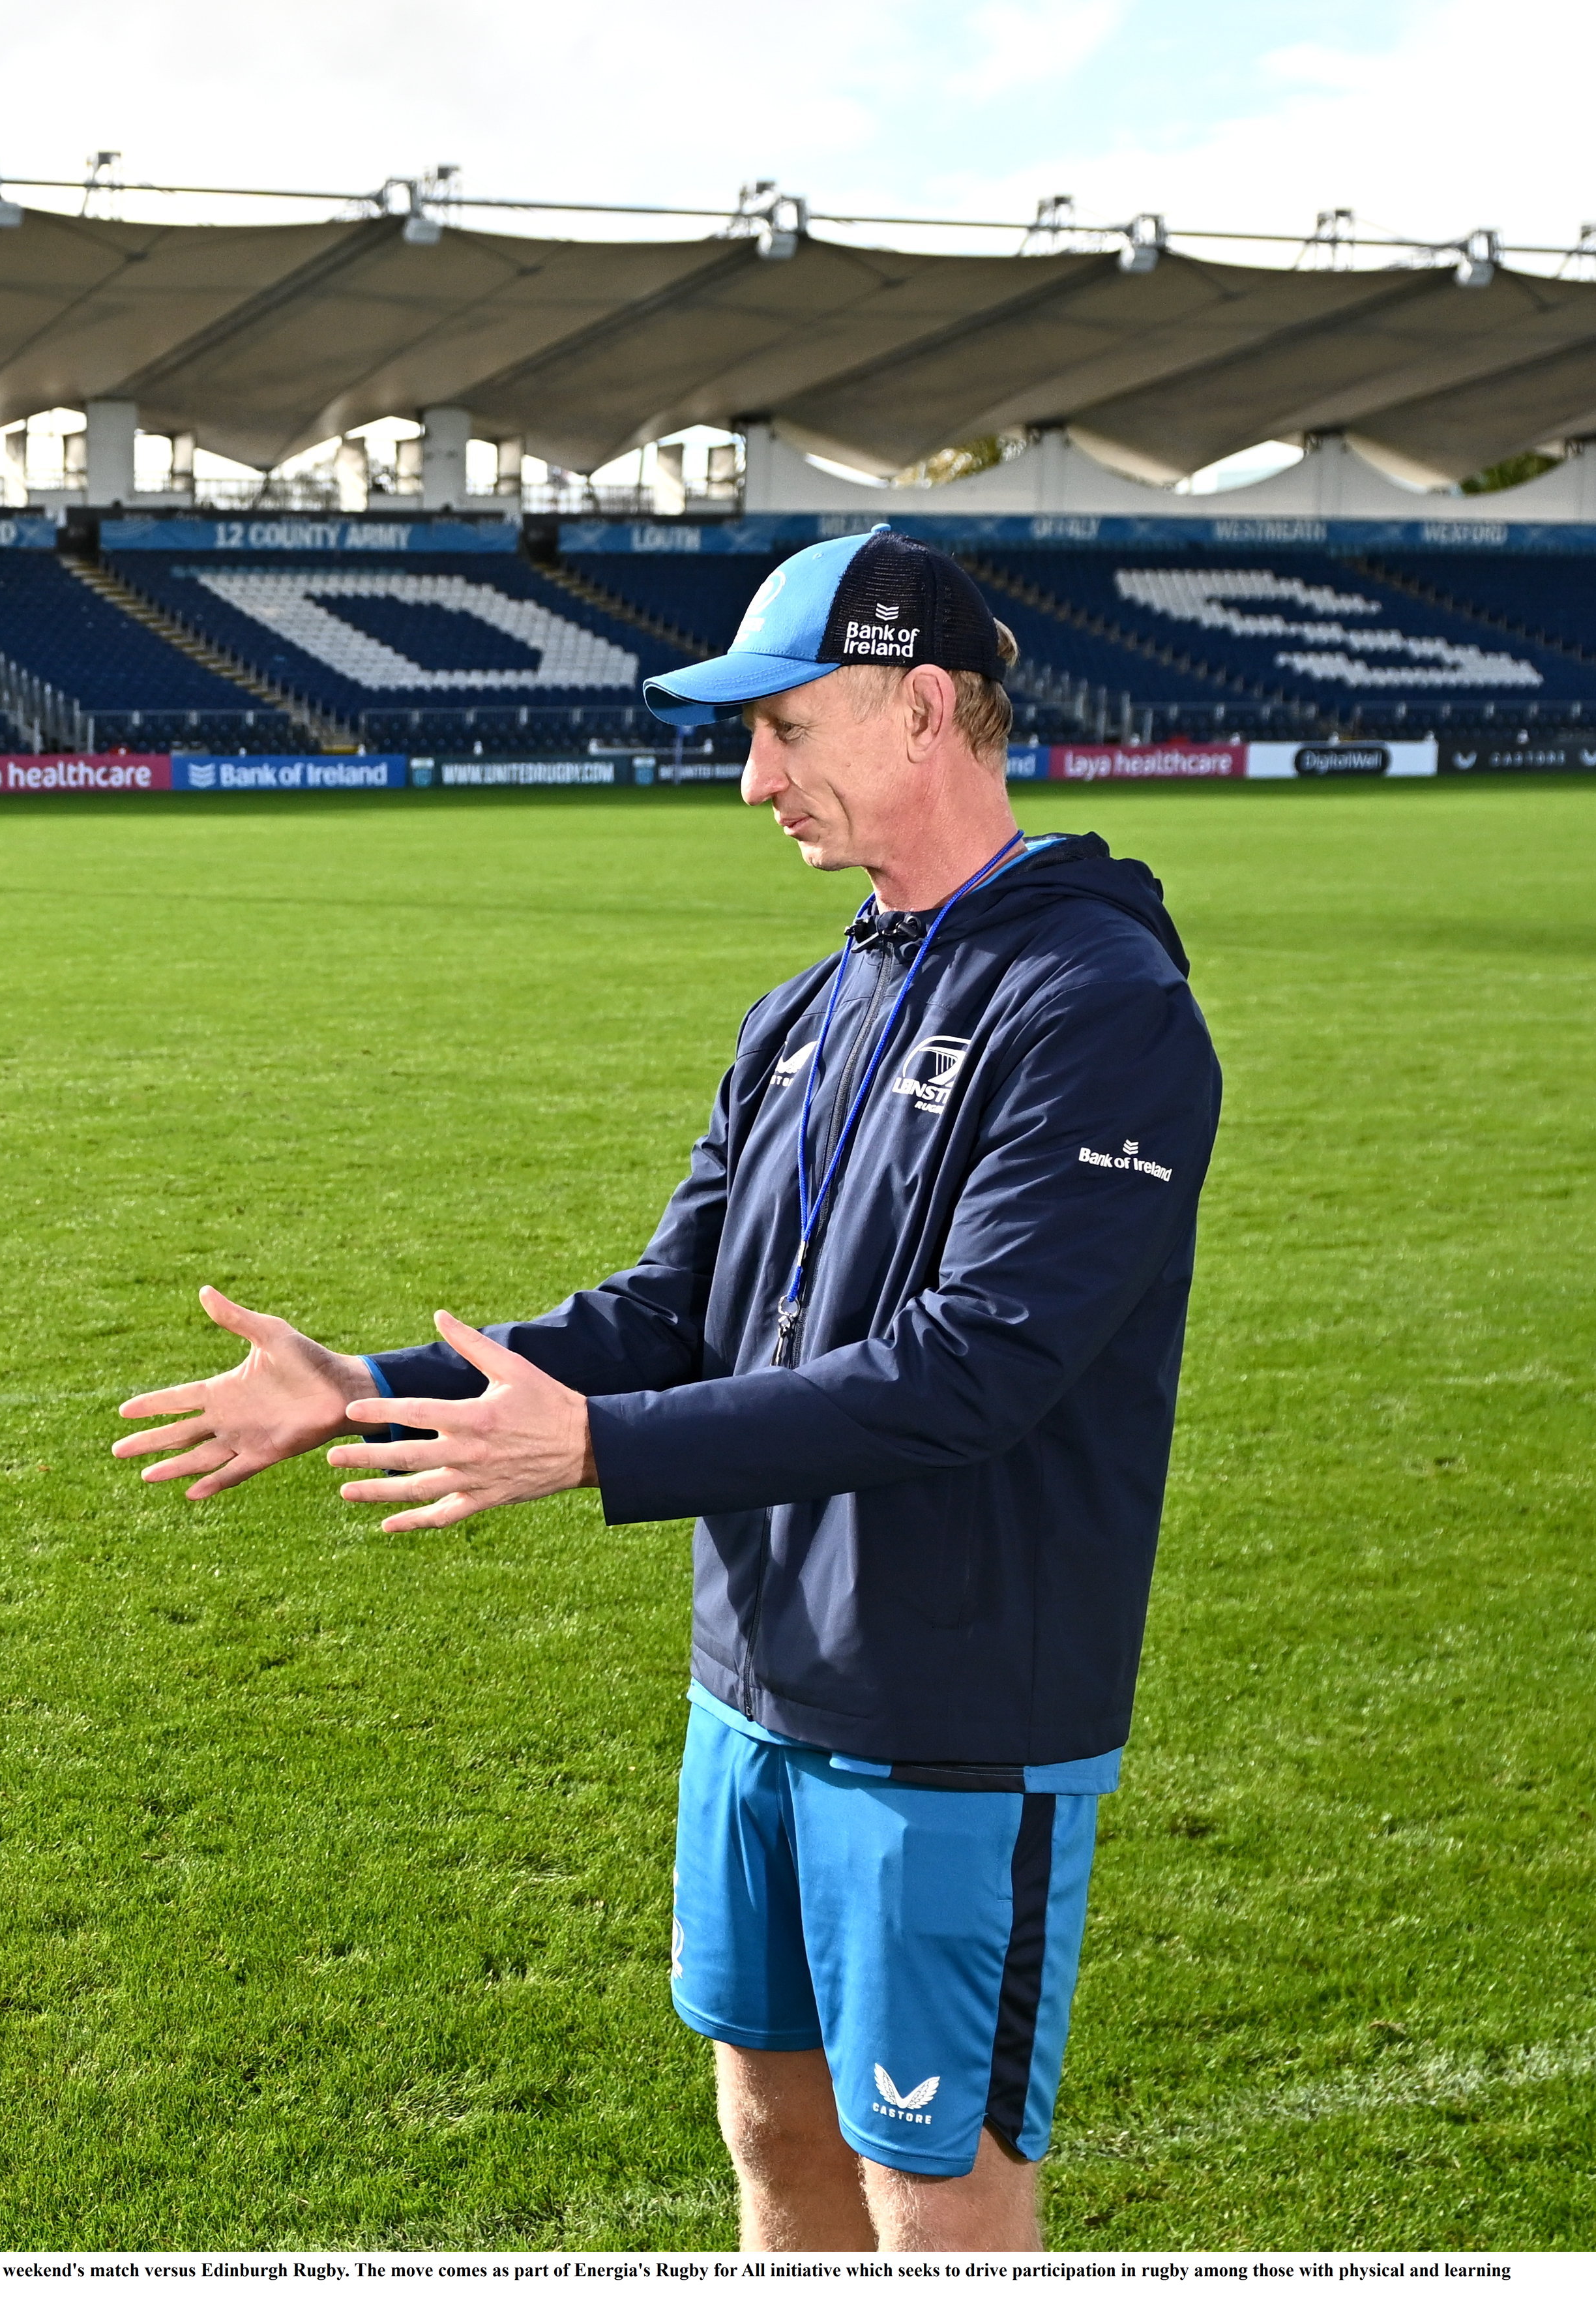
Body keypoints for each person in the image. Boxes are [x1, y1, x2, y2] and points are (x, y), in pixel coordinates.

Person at [112, 527, 1220, 2254]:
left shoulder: (1098, 1003)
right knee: (771, 2131)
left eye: (781, 727)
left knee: (938, 2187)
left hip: (947, 1716)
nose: (746, 778)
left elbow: (975, 1364)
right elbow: (672, 1308)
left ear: (922, 709)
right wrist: (364, 1387)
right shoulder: (803, 1011)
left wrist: (601, 1452)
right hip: (751, 1691)